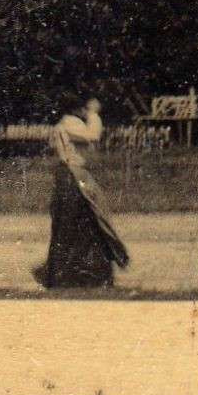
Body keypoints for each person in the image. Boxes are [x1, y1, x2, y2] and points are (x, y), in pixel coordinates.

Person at [35, 96, 130, 290]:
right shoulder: (70, 123)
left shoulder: (64, 124)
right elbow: (93, 135)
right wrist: (94, 114)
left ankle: (70, 276)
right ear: (78, 109)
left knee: (73, 227)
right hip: (74, 176)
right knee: (89, 224)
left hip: (71, 176)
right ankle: (82, 277)